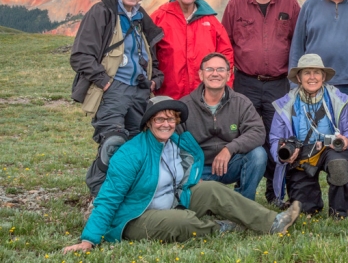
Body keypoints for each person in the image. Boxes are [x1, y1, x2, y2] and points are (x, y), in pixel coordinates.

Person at [62, 96, 301, 254]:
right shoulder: (131, 153)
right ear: (148, 123)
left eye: (171, 119)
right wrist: (89, 239)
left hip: (174, 201)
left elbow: (185, 176)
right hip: (136, 216)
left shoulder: (176, 143)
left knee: (212, 189)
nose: (166, 124)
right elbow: (109, 197)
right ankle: (222, 227)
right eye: (160, 119)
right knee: (182, 222)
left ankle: (272, 223)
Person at [70, 0, 164, 197]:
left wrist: (155, 80)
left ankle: (126, 194)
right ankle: (99, 194)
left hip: (139, 93)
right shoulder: (102, 12)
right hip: (113, 90)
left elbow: (151, 56)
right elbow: (80, 55)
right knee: (113, 142)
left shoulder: (142, 19)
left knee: (135, 144)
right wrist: (105, 82)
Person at [222, 0, 300, 206]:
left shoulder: (290, 4)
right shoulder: (235, 5)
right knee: (243, 134)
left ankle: (275, 192)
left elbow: (298, 41)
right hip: (245, 83)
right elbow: (225, 44)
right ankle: (243, 191)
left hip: (279, 83)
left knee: (277, 137)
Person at [269, 54, 348, 217]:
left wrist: (347, 140)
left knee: (339, 164)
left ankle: (339, 211)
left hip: (330, 148)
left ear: (323, 77)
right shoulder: (285, 104)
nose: (312, 77)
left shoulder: (338, 100)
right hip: (300, 155)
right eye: (306, 73)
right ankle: (310, 203)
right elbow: (275, 138)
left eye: (316, 72)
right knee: (305, 209)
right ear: (298, 77)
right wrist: (282, 153)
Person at [178, 53, 267, 200]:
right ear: (201, 74)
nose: (215, 74)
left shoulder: (241, 103)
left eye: (220, 69)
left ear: (228, 74)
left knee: (258, 155)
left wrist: (229, 149)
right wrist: (190, 174)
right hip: (198, 170)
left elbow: (257, 131)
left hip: (230, 165)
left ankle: (243, 204)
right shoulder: (185, 106)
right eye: (210, 69)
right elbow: (174, 145)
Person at [152, 0, 234, 99]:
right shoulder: (159, 18)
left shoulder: (211, 22)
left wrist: (226, 87)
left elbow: (226, 56)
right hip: (168, 95)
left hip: (204, 96)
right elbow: (147, 56)